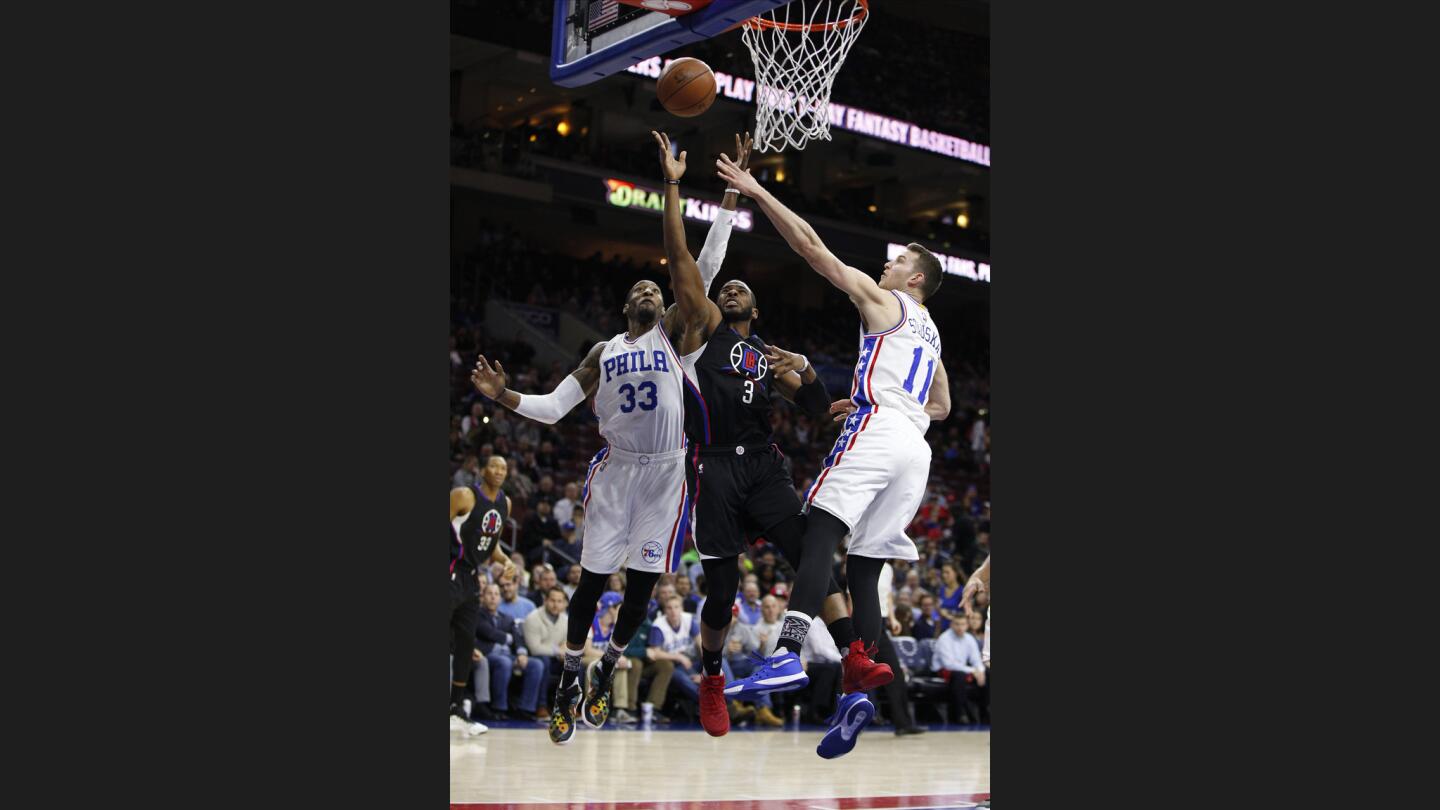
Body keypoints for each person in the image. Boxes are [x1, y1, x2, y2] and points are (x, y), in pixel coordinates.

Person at [717, 146, 951, 758]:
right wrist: (885, 401)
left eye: (899, 261)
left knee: (818, 527)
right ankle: (857, 687)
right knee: (866, 570)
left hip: (881, 431)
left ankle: (788, 653)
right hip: (915, 448)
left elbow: (812, 251)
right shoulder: (932, 332)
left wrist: (758, 192)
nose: (888, 263)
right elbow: (944, 406)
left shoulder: (887, 301)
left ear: (916, 278)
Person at [470, 215, 718, 746]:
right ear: (627, 306)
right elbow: (556, 407)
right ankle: (570, 675)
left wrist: (727, 200)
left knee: (642, 589)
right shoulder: (603, 352)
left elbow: (705, 270)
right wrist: (503, 398)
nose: (652, 291)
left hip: (667, 472)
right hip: (618, 471)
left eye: (658, 286)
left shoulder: (673, 334)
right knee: (591, 584)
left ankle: (607, 665)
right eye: (641, 288)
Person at [653, 131, 854, 738]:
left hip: (764, 466)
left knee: (811, 557)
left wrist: (811, 372)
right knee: (720, 594)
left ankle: (854, 657)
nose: (732, 286)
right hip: (711, 466)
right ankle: (712, 675)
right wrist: (677, 186)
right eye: (727, 285)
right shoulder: (701, 327)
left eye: (745, 288)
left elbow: (820, 407)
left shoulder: (766, 357)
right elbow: (681, 257)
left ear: (757, 310)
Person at [448, 455, 519, 735]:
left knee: (466, 643)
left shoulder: (505, 504)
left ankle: (455, 711)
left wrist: (505, 560)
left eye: (504, 467)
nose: (499, 471)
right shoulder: (464, 495)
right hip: (450, 570)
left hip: (472, 578)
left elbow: (491, 543)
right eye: (494, 466)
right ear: (482, 470)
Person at [474, 583, 547, 721]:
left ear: (500, 598)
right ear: (482, 597)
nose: (493, 597)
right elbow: (487, 632)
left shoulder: (507, 618)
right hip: (487, 655)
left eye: (496, 594)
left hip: (508, 655)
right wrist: (507, 637)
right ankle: (499, 707)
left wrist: (521, 653)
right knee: (504, 662)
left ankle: (526, 708)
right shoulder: (477, 614)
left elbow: (517, 637)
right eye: (489, 594)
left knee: (536, 664)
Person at [931, 611, 988, 724]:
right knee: (959, 675)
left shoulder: (969, 639)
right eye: (957, 624)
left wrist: (980, 671)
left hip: (962, 669)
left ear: (967, 625)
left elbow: (976, 660)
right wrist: (973, 670)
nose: (960, 627)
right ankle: (961, 714)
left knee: (988, 673)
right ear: (951, 625)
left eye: (962, 624)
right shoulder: (944, 638)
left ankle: (985, 712)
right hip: (941, 670)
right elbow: (948, 664)